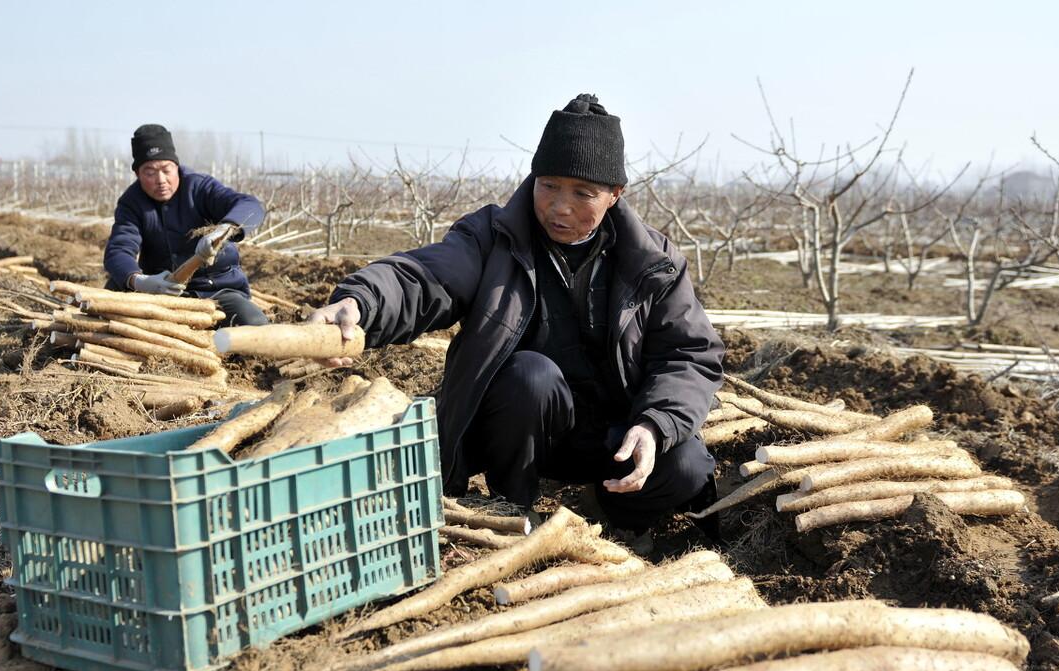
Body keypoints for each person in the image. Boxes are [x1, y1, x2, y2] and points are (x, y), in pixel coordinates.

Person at [309, 95, 724, 535]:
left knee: (686, 464)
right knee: (531, 374)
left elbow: (690, 352)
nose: (561, 207)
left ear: (614, 195)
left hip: (614, 434)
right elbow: (426, 276)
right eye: (549, 186)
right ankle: (513, 507)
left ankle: (616, 518)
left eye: (583, 193)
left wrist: (654, 424)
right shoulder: (495, 238)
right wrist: (361, 302)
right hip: (521, 427)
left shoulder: (652, 261)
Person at [103, 124, 269, 327]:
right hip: (163, 292)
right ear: (137, 174)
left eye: (166, 169)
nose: (161, 180)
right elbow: (118, 250)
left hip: (214, 290)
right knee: (110, 300)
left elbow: (250, 205)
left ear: (176, 167)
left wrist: (224, 230)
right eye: (150, 172)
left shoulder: (199, 187)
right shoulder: (132, 202)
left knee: (254, 324)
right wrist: (140, 281)